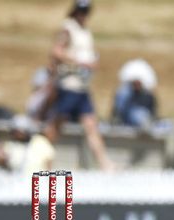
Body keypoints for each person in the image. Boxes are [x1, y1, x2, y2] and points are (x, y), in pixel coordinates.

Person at [50, 0, 114, 171]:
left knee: (91, 125)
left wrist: (92, 63)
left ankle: (105, 164)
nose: (83, 15)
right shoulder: (68, 28)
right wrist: (80, 62)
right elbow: (57, 52)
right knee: (56, 126)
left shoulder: (85, 31)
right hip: (69, 85)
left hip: (83, 87)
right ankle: (43, 160)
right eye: (81, 11)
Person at [112, 59, 157, 129]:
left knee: (140, 115)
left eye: (138, 82)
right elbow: (118, 108)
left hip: (142, 118)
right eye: (135, 82)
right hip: (126, 117)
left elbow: (152, 110)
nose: (136, 84)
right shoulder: (124, 93)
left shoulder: (147, 95)